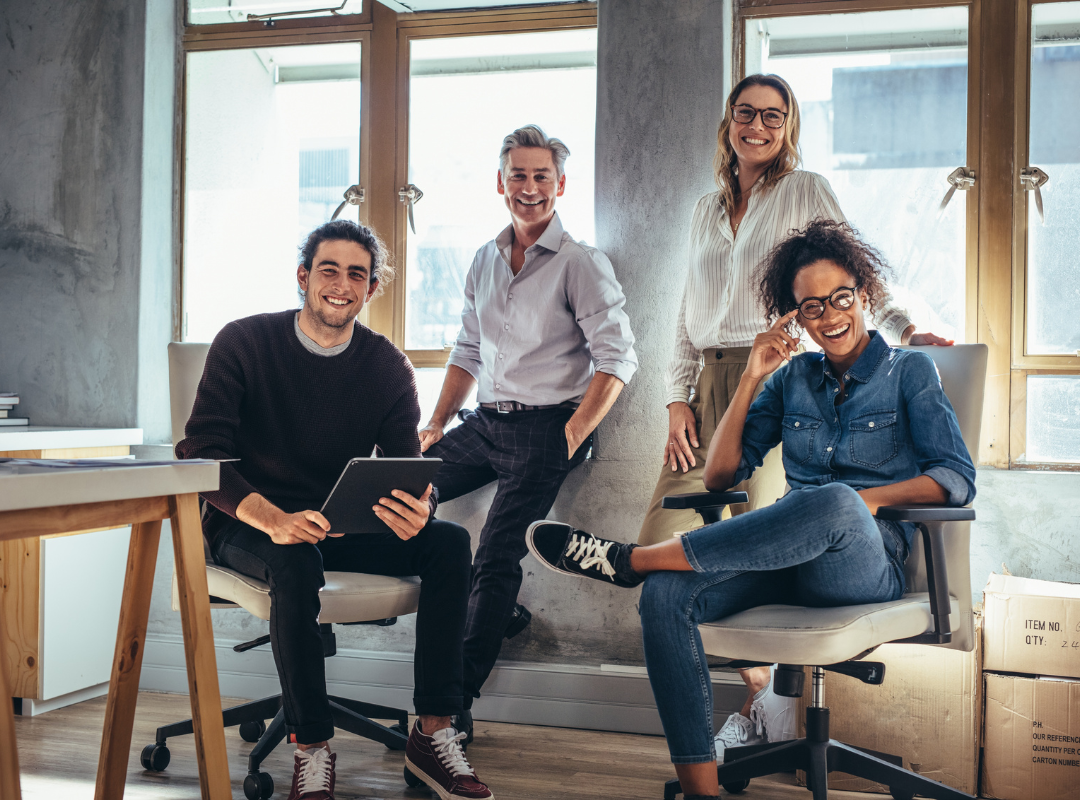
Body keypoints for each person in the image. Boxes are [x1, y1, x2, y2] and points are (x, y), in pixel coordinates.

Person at [526, 219, 976, 800]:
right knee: (667, 597)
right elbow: (719, 476)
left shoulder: (909, 371)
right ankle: (701, 791)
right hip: (792, 560)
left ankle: (637, 558)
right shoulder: (793, 378)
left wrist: (866, 500)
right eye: (811, 308)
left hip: (865, 566)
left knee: (834, 501)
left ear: (863, 294)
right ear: (795, 318)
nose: (830, 316)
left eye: (840, 298)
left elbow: (955, 480)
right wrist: (750, 378)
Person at [637, 72, 953, 752]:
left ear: (789, 126)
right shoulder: (703, 208)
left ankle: (762, 710)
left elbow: (846, 274)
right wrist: (675, 396)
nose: (758, 126)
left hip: (786, 368)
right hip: (727, 382)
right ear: (727, 121)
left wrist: (902, 329)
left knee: (790, 527)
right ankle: (757, 711)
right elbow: (685, 313)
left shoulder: (803, 191)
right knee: (690, 537)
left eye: (773, 116)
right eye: (746, 113)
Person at [176, 220, 492, 800]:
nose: (341, 284)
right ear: (303, 277)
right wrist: (272, 518)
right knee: (295, 558)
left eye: (357, 274)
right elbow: (201, 454)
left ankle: (434, 734)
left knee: (447, 542)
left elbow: (406, 468)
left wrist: (422, 507)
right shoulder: (244, 342)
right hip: (247, 521)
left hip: (333, 522)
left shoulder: (386, 366)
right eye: (329, 269)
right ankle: (312, 747)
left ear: (371, 290)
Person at [420, 125, 638, 733]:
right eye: (519, 175)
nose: (530, 187)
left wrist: (571, 435)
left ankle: (451, 707)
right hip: (486, 422)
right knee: (404, 498)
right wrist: (435, 422)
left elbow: (618, 359)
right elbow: (467, 348)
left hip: (548, 429)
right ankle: (499, 614)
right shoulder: (485, 259)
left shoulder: (581, 263)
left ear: (560, 185)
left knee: (495, 553)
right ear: (501, 183)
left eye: (542, 176)